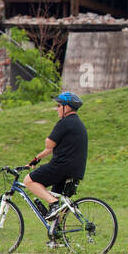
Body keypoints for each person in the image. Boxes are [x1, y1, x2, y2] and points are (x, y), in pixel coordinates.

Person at [24, 92, 88, 245]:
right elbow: (49, 151)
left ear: (67, 108)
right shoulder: (76, 123)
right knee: (61, 203)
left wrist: (48, 140)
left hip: (62, 166)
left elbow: (49, 144)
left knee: (29, 180)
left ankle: (52, 204)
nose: (57, 109)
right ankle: (57, 236)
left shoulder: (65, 123)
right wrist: (35, 160)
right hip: (75, 169)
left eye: (59, 106)